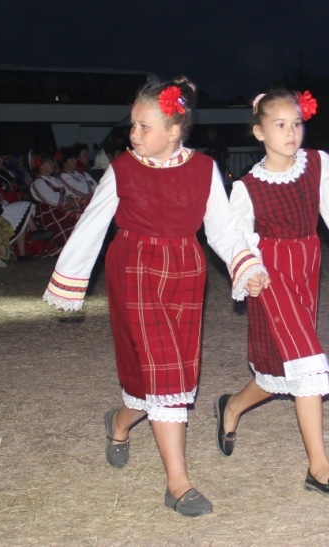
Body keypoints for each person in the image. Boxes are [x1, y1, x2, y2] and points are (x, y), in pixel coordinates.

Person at [42, 76, 270, 518]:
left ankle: (121, 420)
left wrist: (247, 266)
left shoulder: (204, 169)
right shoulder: (122, 168)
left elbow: (222, 229)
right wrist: (69, 281)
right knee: (164, 371)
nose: (134, 135)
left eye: (144, 127)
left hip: (186, 269)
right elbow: (93, 221)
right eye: (133, 125)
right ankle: (178, 484)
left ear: (174, 131)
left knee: (172, 374)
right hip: (135, 268)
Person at [220, 88, 329, 497]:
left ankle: (232, 405)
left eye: (296, 124)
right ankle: (319, 466)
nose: (291, 132)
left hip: (306, 268)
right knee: (308, 363)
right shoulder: (247, 187)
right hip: (269, 274)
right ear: (258, 131)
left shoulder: (318, 164)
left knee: (285, 371)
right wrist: (249, 271)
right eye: (280, 125)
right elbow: (238, 237)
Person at [29, 152, 82, 249]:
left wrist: (70, 198)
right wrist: (66, 201)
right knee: (78, 217)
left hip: (60, 208)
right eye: (49, 163)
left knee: (85, 214)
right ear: (41, 166)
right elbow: (51, 198)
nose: (53, 165)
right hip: (51, 212)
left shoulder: (52, 179)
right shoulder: (38, 182)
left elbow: (67, 192)